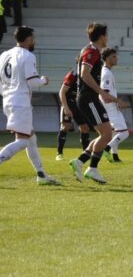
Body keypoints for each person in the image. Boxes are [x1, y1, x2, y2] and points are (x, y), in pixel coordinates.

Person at [0, 26, 59, 185]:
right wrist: (44, 81)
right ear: (27, 40)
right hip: (20, 102)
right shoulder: (27, 55)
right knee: (24, 141)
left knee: (31, 137)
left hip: (8, 99)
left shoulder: (4, 55)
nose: (34, 41)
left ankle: (41, 175)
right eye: (33, 38)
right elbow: (32, 81)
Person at [68, 23, 123, 184]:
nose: (108, 38)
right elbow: (85, 74)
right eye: (107, 35)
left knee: (105, 134)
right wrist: (101, 92)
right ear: (101, 37)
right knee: (107, 134)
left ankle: (79, 161)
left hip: (89, 98)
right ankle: (92, 169)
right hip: (88, 98)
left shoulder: (90, 51)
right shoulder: (91, 52)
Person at [99, 48, 130, 162]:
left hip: (109, 107)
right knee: (124, 133)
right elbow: (105, 94)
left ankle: (115, 156)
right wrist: (119, 102)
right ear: (107, 59)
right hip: (110, 108)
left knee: (115, 133)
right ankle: (106, 149)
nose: (116, 58)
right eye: (113, 56)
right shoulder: (106, 73)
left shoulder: (106, 71)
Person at [56, 66, 90, 161]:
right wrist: (66, 108)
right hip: (68, 103)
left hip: (79, 105)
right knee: (65, 127)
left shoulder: (88, 75)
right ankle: (59, 153)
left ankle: (85, 153)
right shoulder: (73, 75)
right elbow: (62, 92)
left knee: (85, 128)